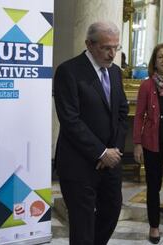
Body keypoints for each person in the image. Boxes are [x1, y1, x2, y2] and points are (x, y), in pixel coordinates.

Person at [53, 21, 128, 245]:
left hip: (110, 162)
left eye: (116, 47)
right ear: (89, 44)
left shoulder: (115, 72)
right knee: (82, 225)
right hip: (78, 164)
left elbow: (121, 113)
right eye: (106, 47)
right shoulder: (69, 71)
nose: (112, 53)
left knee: (111, 213)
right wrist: (100, 152)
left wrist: (113, 151)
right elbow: (70, 120)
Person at [133, 43, 163, 244]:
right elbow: (139, 116)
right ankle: (154, 226)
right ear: (155, 61)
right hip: (151, 143)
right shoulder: (146, 86)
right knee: (153, 186)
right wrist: (137, 143)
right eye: (161, 57)